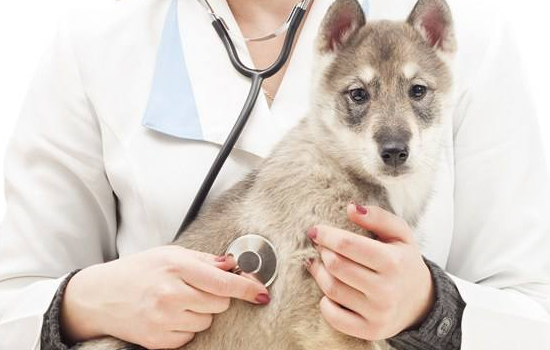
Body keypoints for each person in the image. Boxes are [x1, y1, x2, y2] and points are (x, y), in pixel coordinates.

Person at [1, 0, 549, 349]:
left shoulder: (471, 28)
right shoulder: (96, 34)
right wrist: (84, 302)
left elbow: (534, 312)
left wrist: (430, 309)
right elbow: (12, 297)